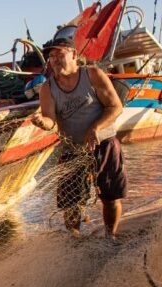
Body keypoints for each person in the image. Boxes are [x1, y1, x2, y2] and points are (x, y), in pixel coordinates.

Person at [31, 37, 126, 238]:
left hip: (104, 143)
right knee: (70, 202)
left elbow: (115, 107)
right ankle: (75, 242)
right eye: (51, 56)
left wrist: (95, 128)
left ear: (74, 55)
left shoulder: (92, 74)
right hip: (72, 148)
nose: (55, 60)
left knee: (110, 197)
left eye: (60, 54)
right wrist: (42, 122)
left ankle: (111, 236)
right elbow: (52, 121)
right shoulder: (47, 89)